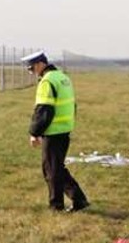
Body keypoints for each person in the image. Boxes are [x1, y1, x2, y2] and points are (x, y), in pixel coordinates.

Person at [23, 51, 88, 212]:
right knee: (57, 168)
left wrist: (34, 133)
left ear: (40, 64)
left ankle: (56, 206)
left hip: (53, 132)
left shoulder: (47, 81)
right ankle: (79, 200)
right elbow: (72, 105)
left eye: (31, 69)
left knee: (51, 170)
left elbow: (44, 110)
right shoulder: (63, 77)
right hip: (65, 129)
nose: (32, 72)